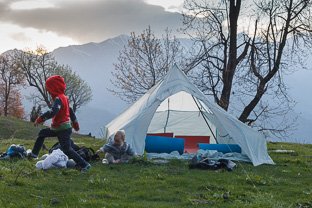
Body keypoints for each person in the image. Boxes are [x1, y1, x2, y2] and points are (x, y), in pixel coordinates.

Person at [28, 75, 91, 172]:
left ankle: (85, 165)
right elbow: (69, 110)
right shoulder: (64, 97)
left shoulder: (59, 99)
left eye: (49, 89)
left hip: (63, 129)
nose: (48, 91)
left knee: (67, 149)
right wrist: (75, 123)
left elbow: (53, 112)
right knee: (42, 133)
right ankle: (33, 155)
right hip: (58, 128)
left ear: (54, 88)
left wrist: (40, 119)